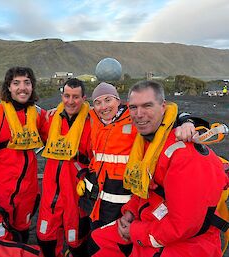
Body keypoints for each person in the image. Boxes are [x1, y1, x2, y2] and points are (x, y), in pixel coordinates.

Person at [89, 80, 227, 257]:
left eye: (147, 106)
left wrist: (135, 231)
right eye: (133, 107)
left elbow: (182, 226)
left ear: (163, 107)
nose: (139, 114)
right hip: (151, 218)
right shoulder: (148, 143)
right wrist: (129, 212)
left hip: (186, 243)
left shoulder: (184, 155)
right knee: (98, 239)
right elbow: (147, 187)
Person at [84, 82, 196, 231]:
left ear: (118, 100)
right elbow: (74, 110)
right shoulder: (92, 119)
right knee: (97, 240)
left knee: (120, 243)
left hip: (126, 199)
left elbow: (167, 111)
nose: (103, 106)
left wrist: (187, 122)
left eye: (108, 100)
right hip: (97, 199)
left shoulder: (135, 118)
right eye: (97, 102)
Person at [0, 67, 48, 243]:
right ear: (8, 87)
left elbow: (57, 135)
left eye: (27, 83)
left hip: (27, 195)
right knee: (0, 243)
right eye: (16, 83)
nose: (22, 88)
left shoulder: (38, 114)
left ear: (32, 86)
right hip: (0, 196)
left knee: (22, 237)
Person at [36, 78, 92, 257]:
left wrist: (182, 121)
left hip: (76, 193)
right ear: (62, 96)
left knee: (76, 241)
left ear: (84, 98)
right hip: (50, 192)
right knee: (45, 238)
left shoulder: (93, 122)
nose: (70, 101)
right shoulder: (51, 119)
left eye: (76, 97)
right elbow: (26, 120)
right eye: (67, 96)